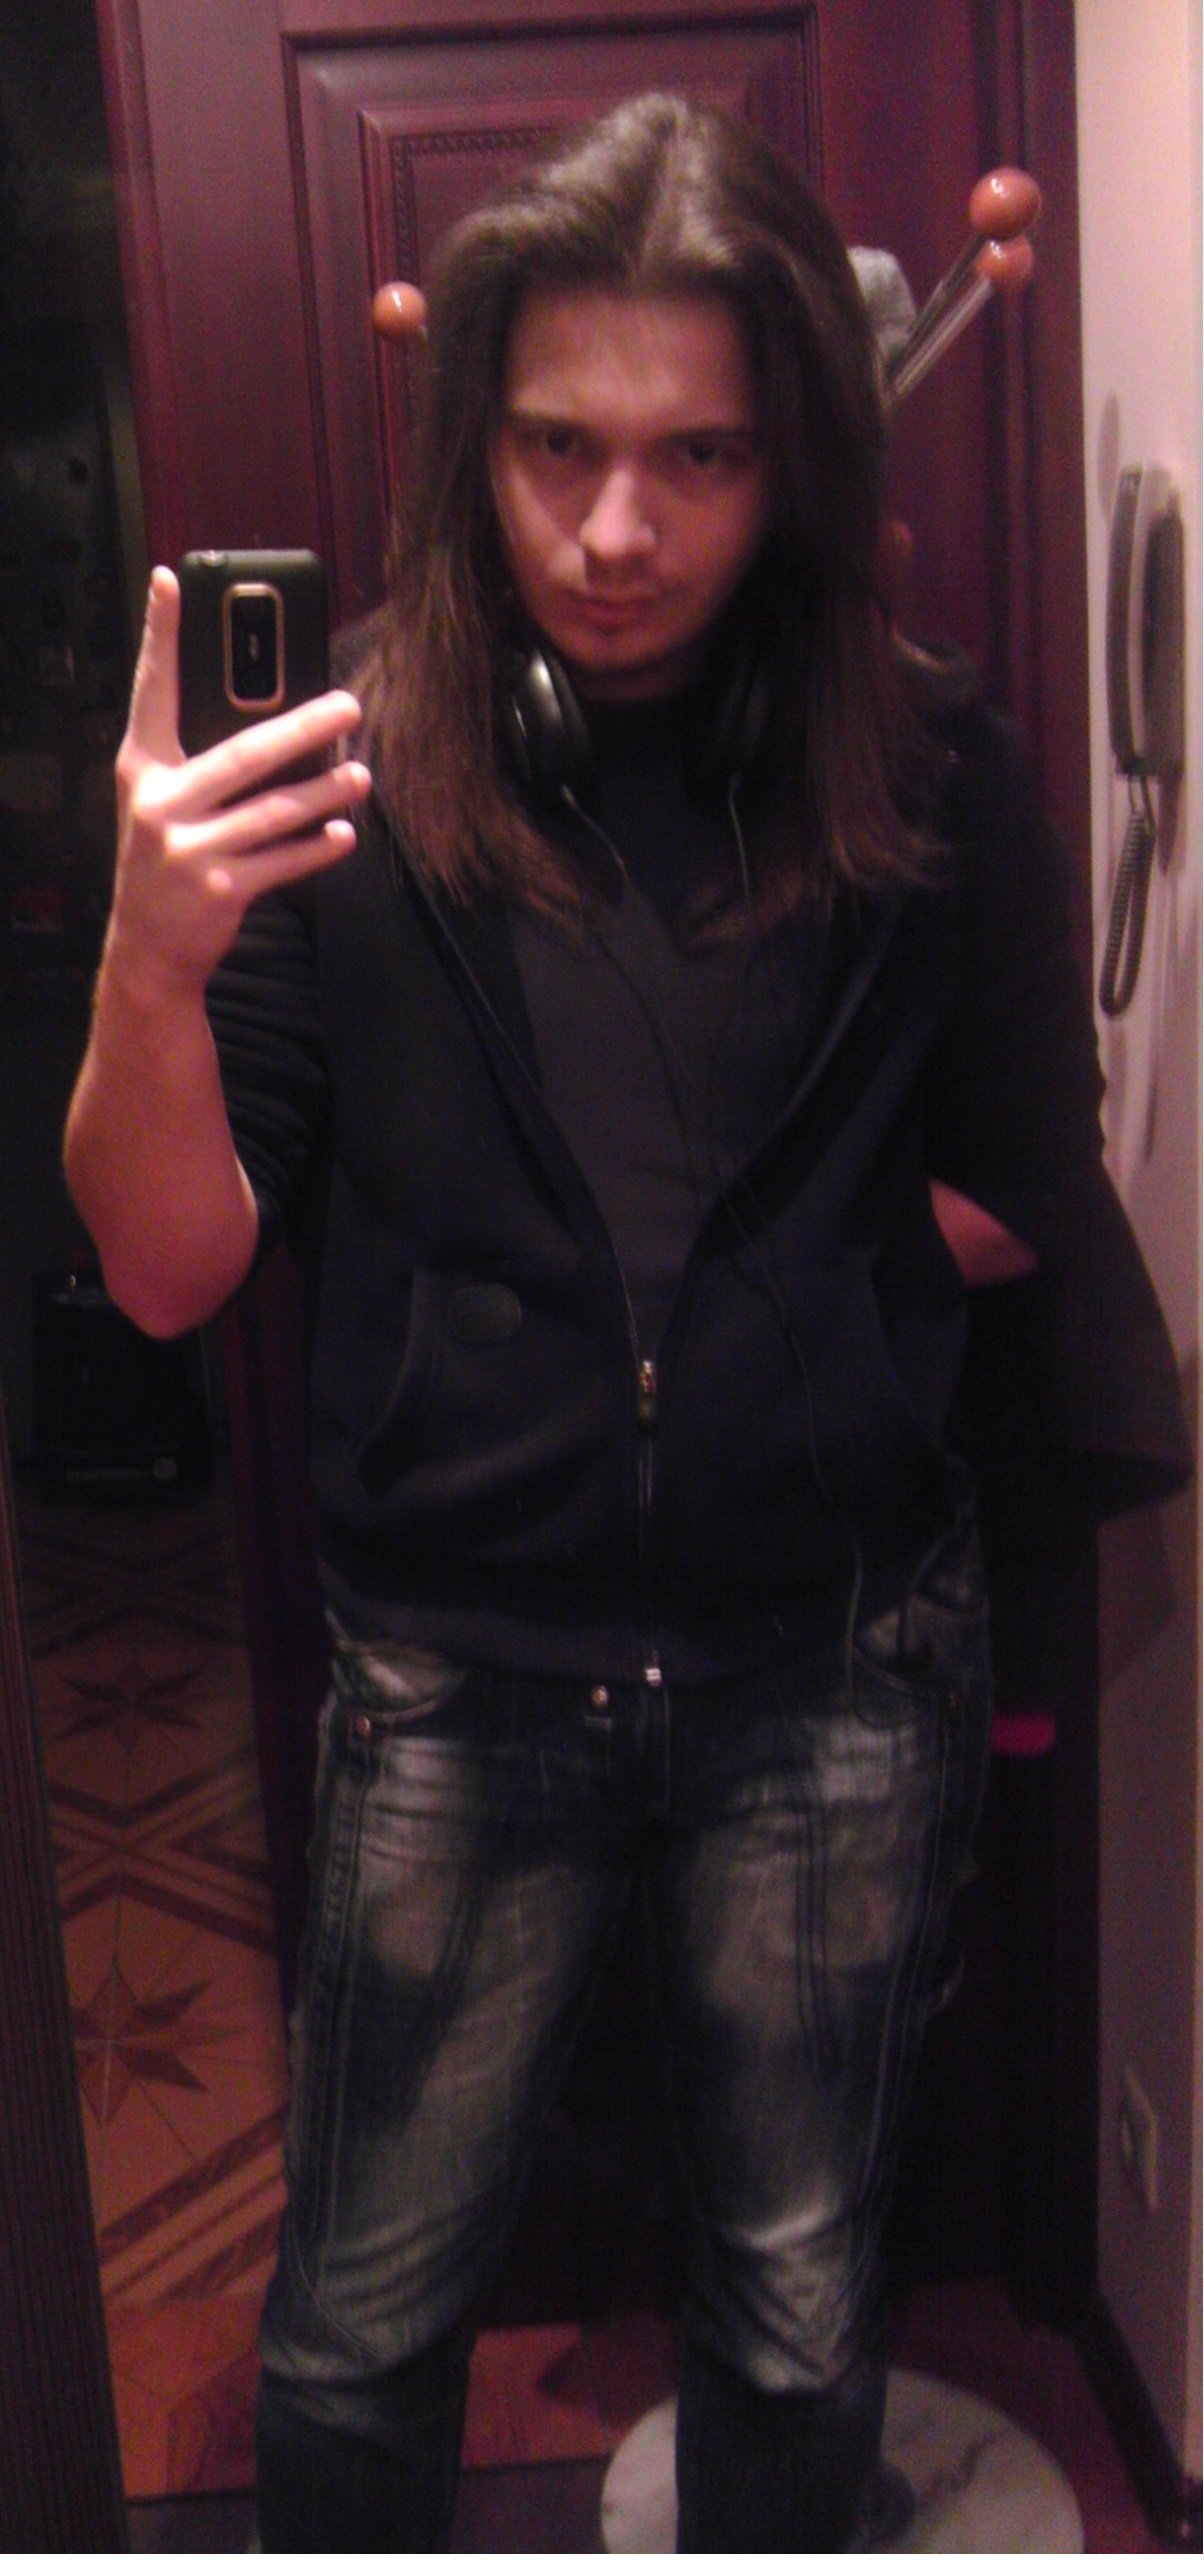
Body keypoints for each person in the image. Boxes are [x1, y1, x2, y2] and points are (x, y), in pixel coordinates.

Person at [64, 92, 1187, 2554]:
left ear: (790, 460)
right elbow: (163, 1267)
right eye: (555, 447)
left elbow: (1017, 1184)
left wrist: (746, 1307)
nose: (610, 530)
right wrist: (148, 958)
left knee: (791, 2312)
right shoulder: (336, 775)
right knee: (358, 2324)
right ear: (471, 437)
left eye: (695, 457)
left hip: (830, 1669)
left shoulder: (928, 760)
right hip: (457, 1677)